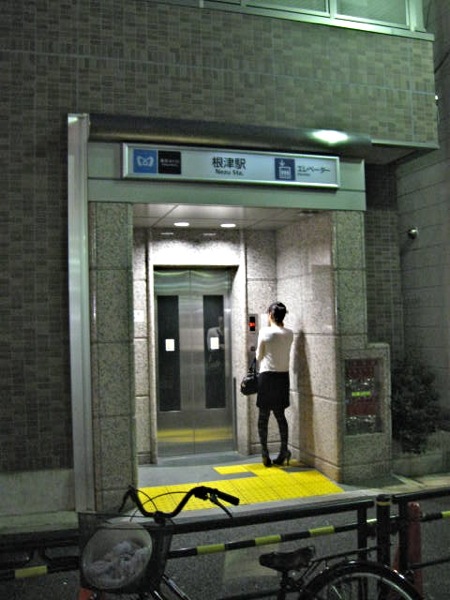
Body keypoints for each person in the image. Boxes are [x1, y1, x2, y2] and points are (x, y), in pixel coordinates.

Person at [256, 302, 294, 467]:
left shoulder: (265, 332)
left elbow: (258, 356)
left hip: (267, 377)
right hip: (283, 377)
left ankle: (265, 453)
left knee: (263, 417)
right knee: (280, 416)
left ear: (270, 314)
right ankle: (283, 451)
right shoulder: (289, 333)